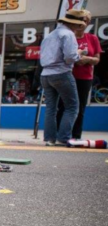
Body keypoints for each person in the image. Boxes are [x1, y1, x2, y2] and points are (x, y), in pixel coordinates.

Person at [40, 9, 93, 146]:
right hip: (62, 73)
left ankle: (49, 139)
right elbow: (70, 57)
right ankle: (63, 138)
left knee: (51, 108)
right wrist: (78, 54)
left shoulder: (50, 35)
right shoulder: (68, 34)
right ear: (75, 24)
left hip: (45, 74)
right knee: (73, 107)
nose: (79, 27)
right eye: (79, 24)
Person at [56, 10, 102, 140]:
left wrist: (87, 59)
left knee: (79, 108)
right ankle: (61, 135)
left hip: (84, 77)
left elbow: (97, 59)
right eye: (81, 20)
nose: (83, 24)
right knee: (63, 106)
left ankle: (76, 136)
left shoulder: (92, 38)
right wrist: (74, 58)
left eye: (85, 21)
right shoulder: (67, 36)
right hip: (66, 75)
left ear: (88, 23)